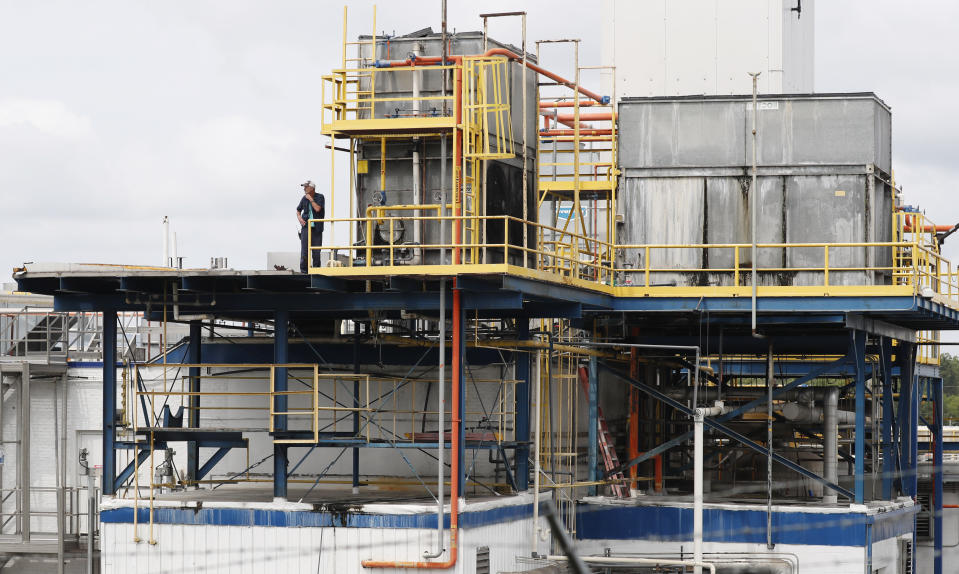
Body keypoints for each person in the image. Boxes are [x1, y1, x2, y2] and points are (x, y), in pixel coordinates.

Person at [296, 180, 325, 272]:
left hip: (317, 228)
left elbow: (317, 209)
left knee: (316, 252)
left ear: (311, 188)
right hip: (306, 228)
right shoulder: (304, 198)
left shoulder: (320, 197)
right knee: (304, 251)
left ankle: (316, 271)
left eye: (306, 187)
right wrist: (300, 219)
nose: (304, 188)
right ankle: (304, 271)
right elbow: (298, 210)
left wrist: (310, 199)